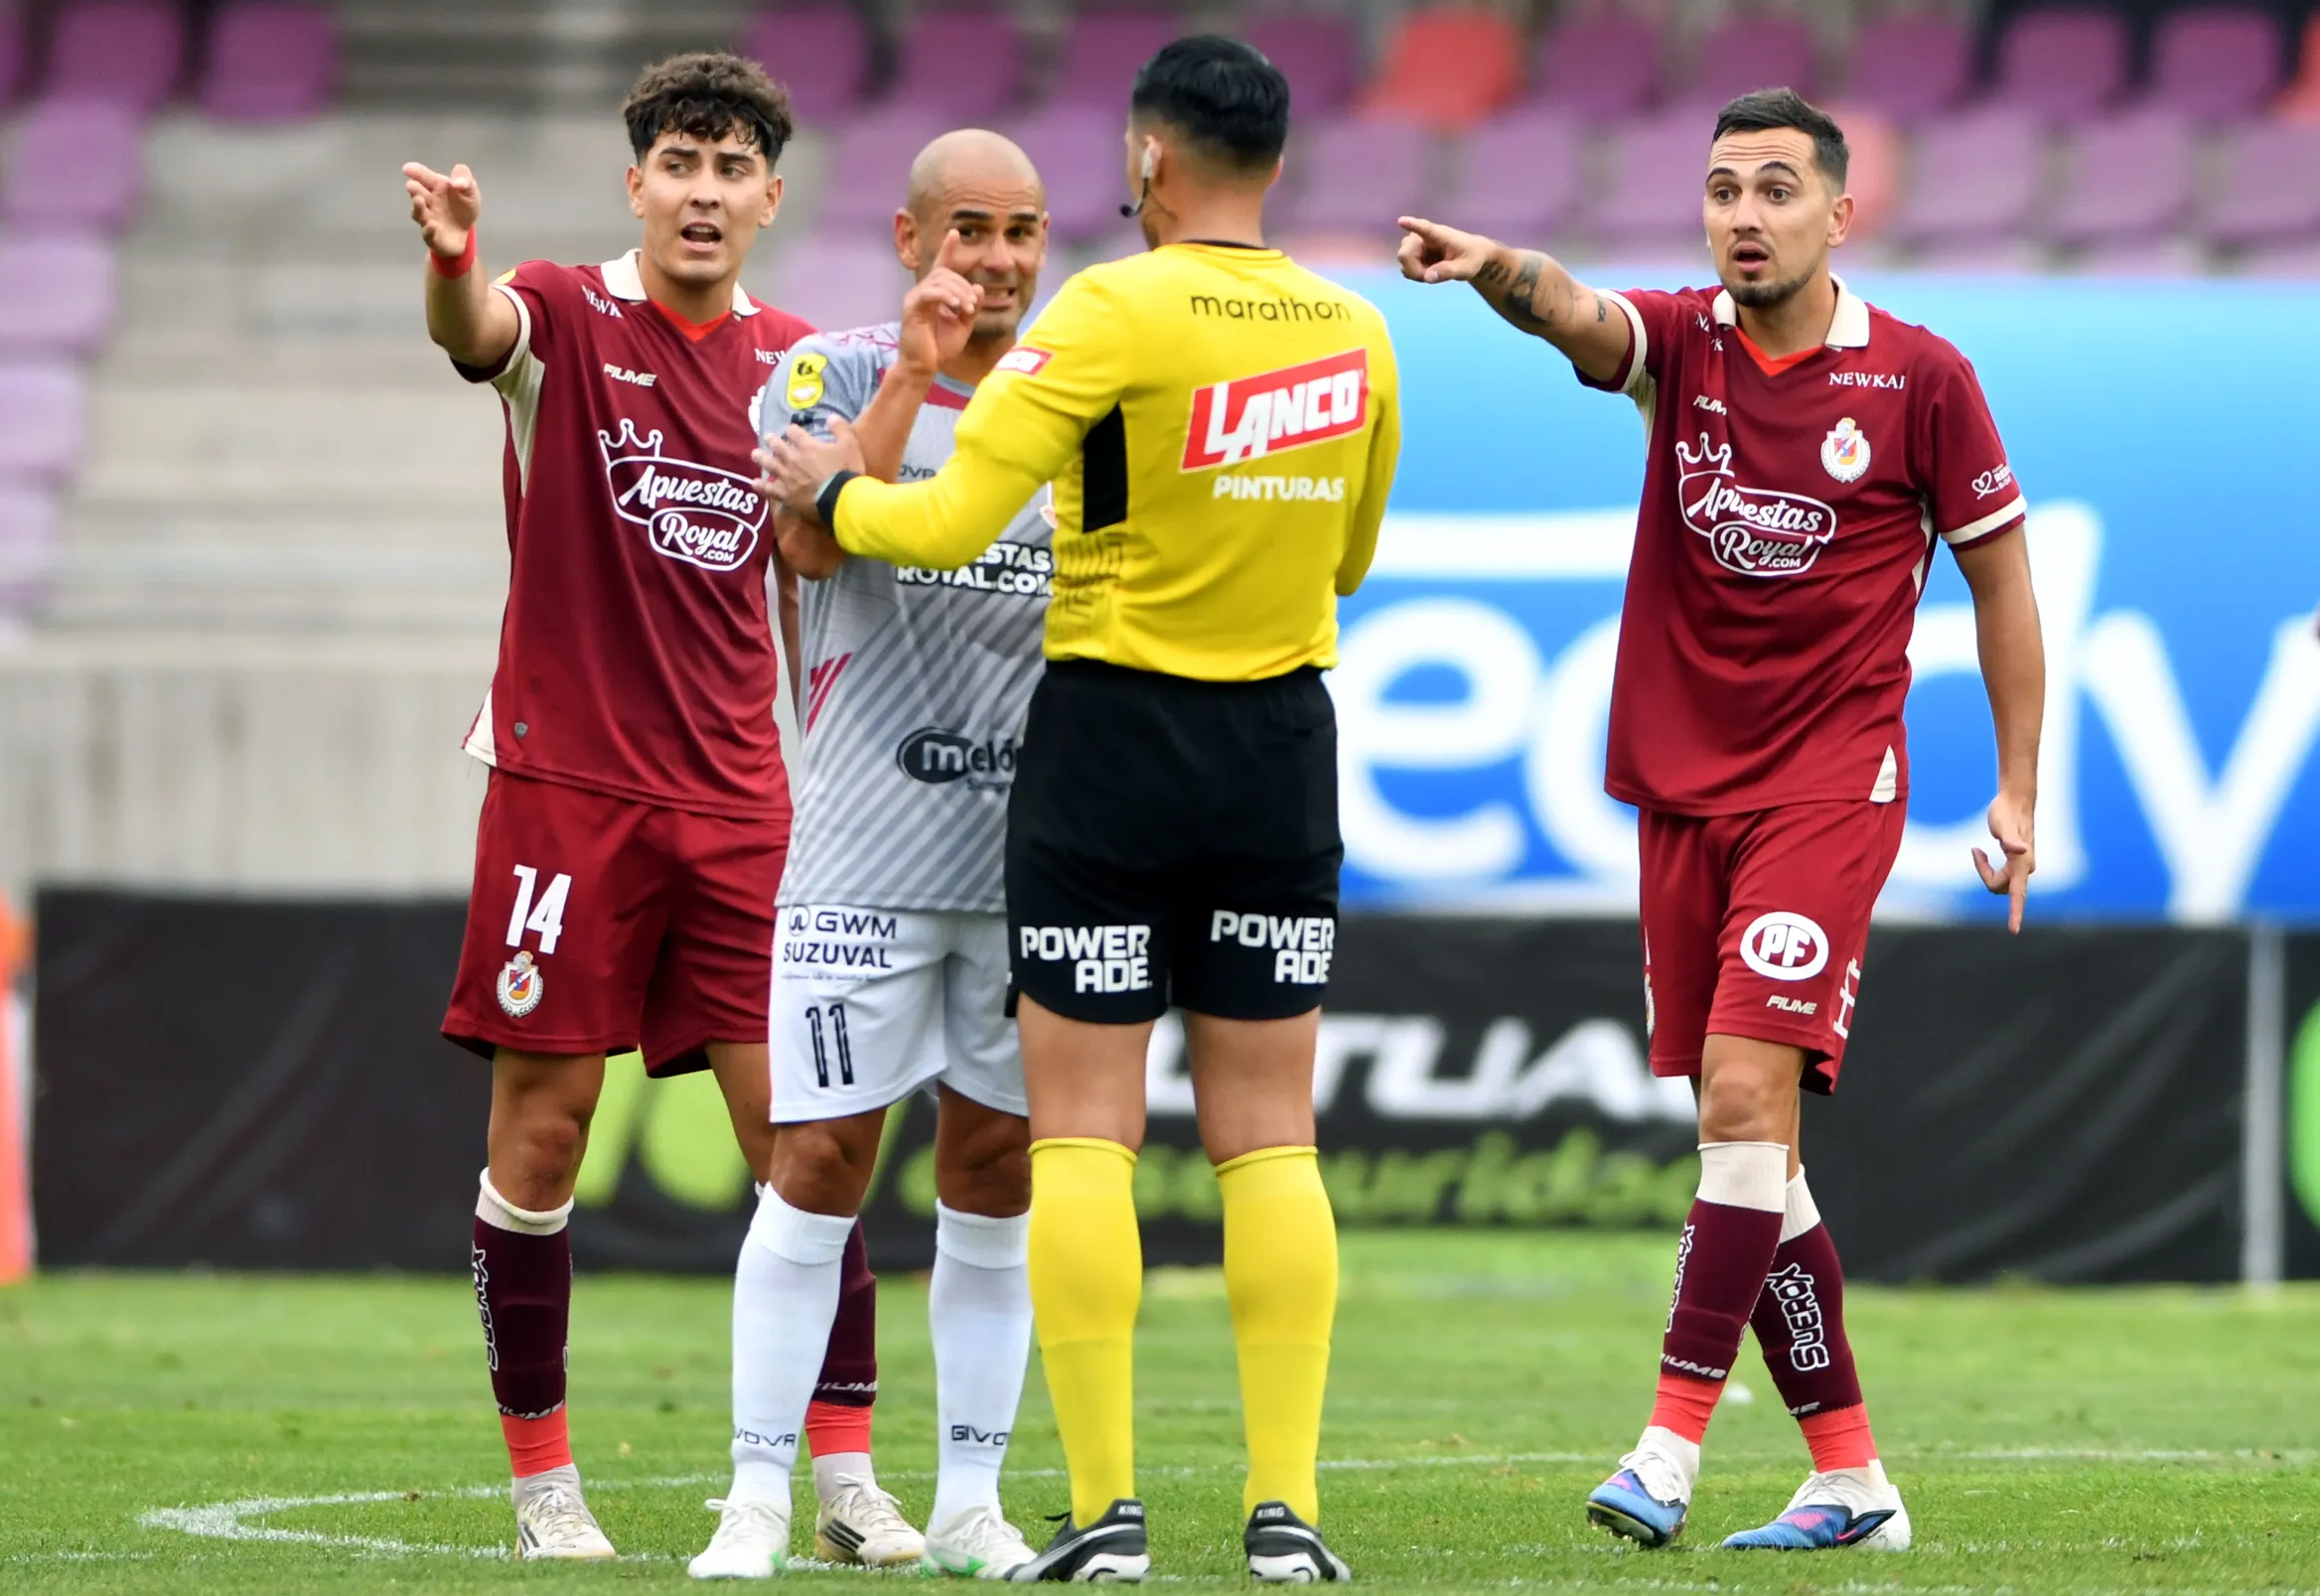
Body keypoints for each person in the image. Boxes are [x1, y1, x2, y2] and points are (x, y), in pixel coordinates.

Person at [756, 36, 1401, 1586]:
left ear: (1147, 162)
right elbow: (1349, 559)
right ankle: (1286, 1513)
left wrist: (832, 496)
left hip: (1110, 741)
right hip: (1279, 745)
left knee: (1084, 1138)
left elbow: (948, 518)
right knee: (1271, 1139)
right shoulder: (1356, 329)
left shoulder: (1107, 309)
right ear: (1275, 163)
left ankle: (1104, 1512)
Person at [1397, 88, 2044, 1553]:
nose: (1744, 216)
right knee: (1753, 1151)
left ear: (1838, 214)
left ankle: (1667, 1450)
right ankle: (1851, 1480)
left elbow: (2003, 580)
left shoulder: (1921, 377)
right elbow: (1579, 315)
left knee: (1744, 1108)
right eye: (1721, 191)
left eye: (1774, 189)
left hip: (1830, 781)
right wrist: (1492, 268)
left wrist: (2016, 784)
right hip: (1683, 790)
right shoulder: (1682, 347)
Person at [403, 53, 910, 1561]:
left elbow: (841, 550)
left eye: (729, 167)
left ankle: (845, 1482)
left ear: (769, 196)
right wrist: (454, 265)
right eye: (678, 164)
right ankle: (543, 1486)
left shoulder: (802, 365)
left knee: (809, 1145)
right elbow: (474, 335)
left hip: (744, 804)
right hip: (565, 792)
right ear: (637, 185)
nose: (702, 191)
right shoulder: (562, 310)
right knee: (543, 1138)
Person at [688, 128, 1055, 1582]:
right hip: (862, 853)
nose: (997, 259)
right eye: (969, 229)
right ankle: (756, 1497)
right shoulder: (825, 374)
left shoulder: (1077, 394)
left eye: (1021, 231)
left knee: (998, 1170)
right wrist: (913, 371)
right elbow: (815, 548)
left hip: (1029, 861)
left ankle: (969, 1502)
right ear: (910, 239)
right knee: (819, 1158)